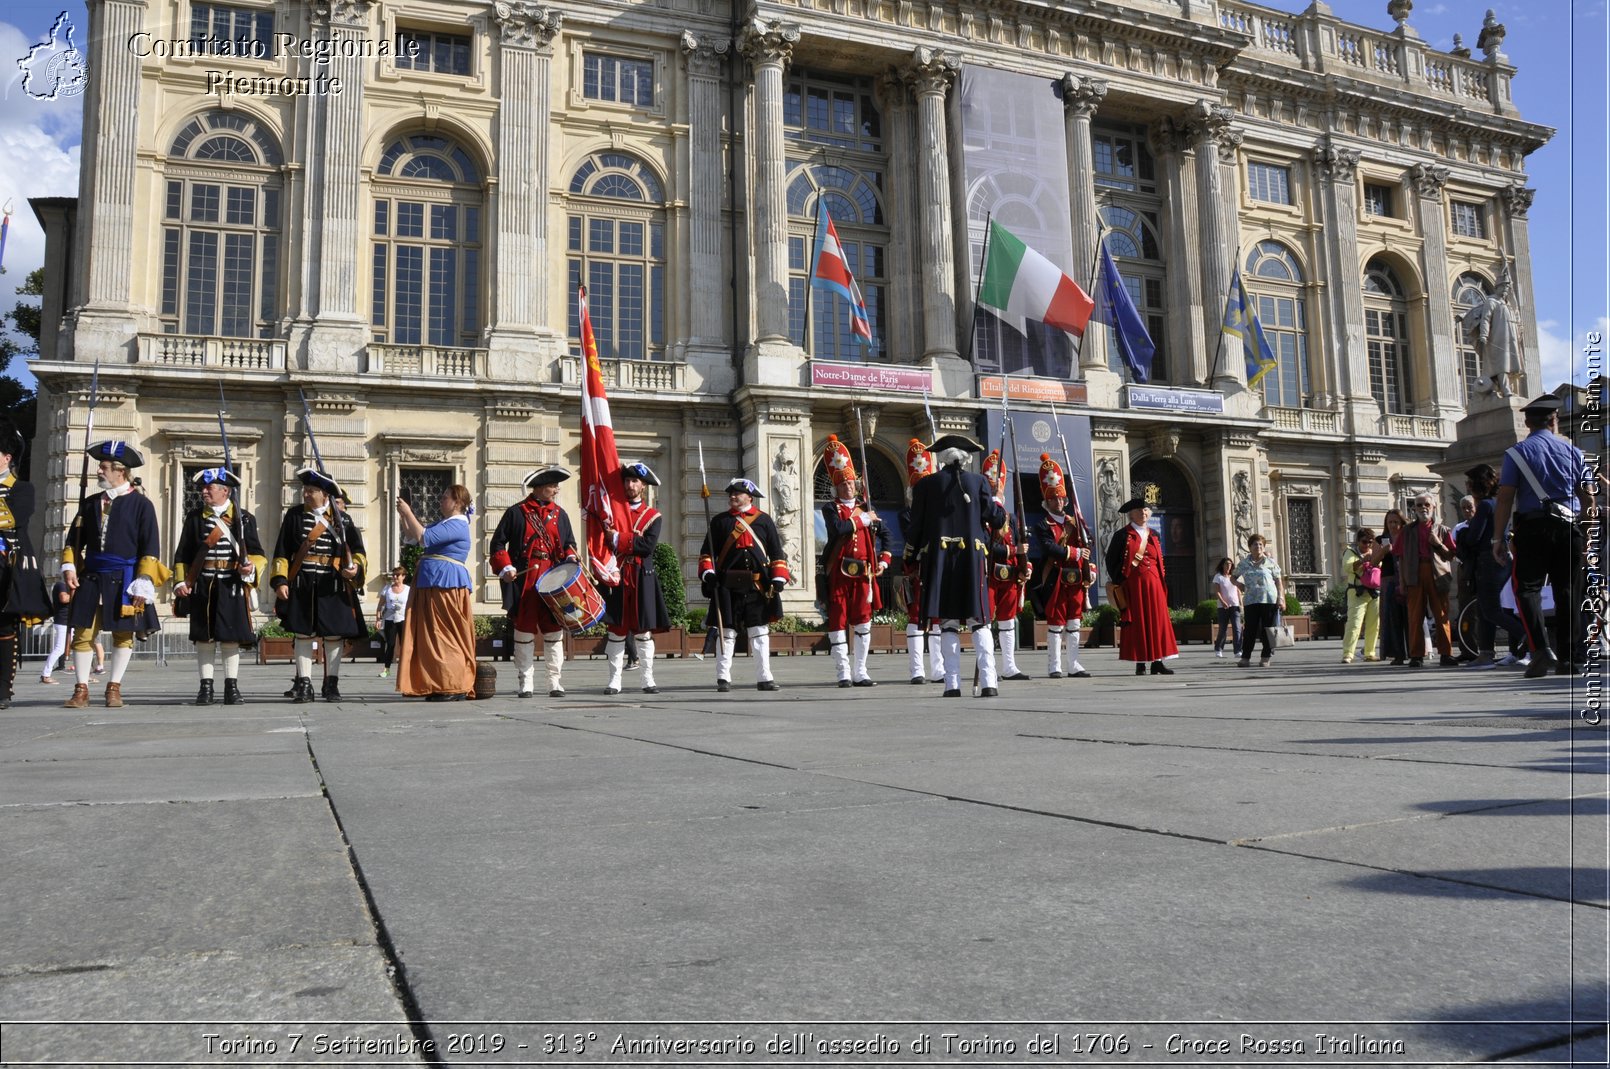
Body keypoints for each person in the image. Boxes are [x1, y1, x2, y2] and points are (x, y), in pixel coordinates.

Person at [1493, 393, 1596, 677]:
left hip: (1533, 527)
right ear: (1554, 420)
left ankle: (1539, 650)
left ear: (1527, 422)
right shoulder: (1574, 453)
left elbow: (1504, 497)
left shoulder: (1516, 453)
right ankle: (1569, 658)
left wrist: (1497, 538)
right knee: (1569, 591)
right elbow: (1588, 499)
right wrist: (1587, 533)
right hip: (1569, 528)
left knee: (1526, 589)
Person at [61, 441, 166, 709]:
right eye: (100, 466)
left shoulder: (141, 504)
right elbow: (74, 540)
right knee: (83, 633)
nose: (99, 471)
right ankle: (81, 688)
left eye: (104, 467)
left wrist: (143, 580)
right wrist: (69, 566)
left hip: (124, 577)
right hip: (92, 576)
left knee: (123, 635)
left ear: (121, 471)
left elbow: (150, 546)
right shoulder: (90, 503)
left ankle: (114, 688)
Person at [901, 434, 1005, 698]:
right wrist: (997, 502)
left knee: (947, 623)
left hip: (940, 560)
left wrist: (910, 557)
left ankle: (952, 684)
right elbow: (996, 520)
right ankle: (990, 682)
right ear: (966, 457)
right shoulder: (978, 481)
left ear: (942, 458)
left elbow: (916, 528)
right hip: (972, 559)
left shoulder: (926, 485)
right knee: (979, 622)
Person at [270, 468, 366, 703]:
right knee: (303, 634)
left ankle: (331, 683)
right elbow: (282, 551)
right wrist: (281, 581)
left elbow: (358, 551)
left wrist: (355, 569)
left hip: (332, 583)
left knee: (334, 635)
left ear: (325, 494)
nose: (305, 494)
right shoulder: (293, 516)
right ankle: (304, 684)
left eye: (311, 491)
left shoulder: (342, 519)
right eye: (305, 490)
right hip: (302, 582)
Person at [172, 467, 266, 706]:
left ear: (225, 491)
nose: (204, 492)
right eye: (203, 488)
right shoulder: (195, 518)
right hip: (203, 583)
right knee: (204, 638)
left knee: (230, 638)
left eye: (209, 488)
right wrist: (182, 582)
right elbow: (183, 553)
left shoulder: (244, 519)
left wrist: (250, 568)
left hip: (231, 584)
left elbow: (257, 554)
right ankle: (205, 687)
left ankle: (231, 687)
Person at [490, 466, 579, 698]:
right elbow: (498, 544)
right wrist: (506, 567)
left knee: (554, 631)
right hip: (526, 580)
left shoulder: (560, 514)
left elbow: (569, 543)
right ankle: (525, 682)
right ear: (539, 488)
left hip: (554, 577)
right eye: (553, 486)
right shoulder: (516, 513)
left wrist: (571, 556)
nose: (557, 490)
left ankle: (554, 682)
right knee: (524, 631)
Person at [699, 477, 790, 692]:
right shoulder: (719, 522)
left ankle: (764, 677)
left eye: (737, 493)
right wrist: (708, 573)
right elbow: (706, 553)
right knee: (726, 632)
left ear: (749, 496)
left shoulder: (764, 520)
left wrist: (778, 578)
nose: (732, 496)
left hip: (756, 586)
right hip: (727, 586)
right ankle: (723, 677)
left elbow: (777, 552)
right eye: (731, 493)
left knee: (759, 632)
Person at [819, 437, 891, 688]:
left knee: (863, 621)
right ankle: (843, 672)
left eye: (851, 483)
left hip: (864, 574)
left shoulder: (866, 508)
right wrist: (863, 521)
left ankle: (861, 671)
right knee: (838, 620)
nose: (849, 487)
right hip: (838, 573)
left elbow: (886, 535)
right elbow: (838, 529)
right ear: (837, 488)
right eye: (844, 484)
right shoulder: (831, 509)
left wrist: (884, 559)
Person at [395, 485, 477, 701]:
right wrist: (404, 516)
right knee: (433, 634)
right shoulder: (445, 523)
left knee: (445, 634)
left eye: (444, 497)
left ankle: (454, 684)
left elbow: (424, 538)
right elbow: (412, 536)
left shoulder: (458, 524)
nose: (440, 501)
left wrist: (408, 512)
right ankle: (441, 683)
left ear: (457, 502)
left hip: (445, 582)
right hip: (435, 580)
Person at [601, 461, 672, 695]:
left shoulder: (653, 516)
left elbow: (647, 547)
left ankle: (647, 679)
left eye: (635, 481)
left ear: (643, 486)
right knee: (616, 631)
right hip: (617, 575)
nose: (630, 485)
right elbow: (604, 542)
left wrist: (617, 539)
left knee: (643, 632)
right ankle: (614, 680)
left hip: (642, 577)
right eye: (627, 480)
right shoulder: (612, 512)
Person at [1028, 452, 1093, 680]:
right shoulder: (1042, 525)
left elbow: (1088, 542)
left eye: (1062, 498)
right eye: (1054, 498)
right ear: (1047, 502)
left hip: (1075, 579)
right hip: (1055, 578)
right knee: (1056, 625)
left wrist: (1088, 562)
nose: (1059, 502)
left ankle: (1074, 664)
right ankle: (1054, 666)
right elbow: (1049, 548)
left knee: (1074, 622)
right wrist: (1074, 552)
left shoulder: (1074, 522)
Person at [0, 421, 48, 707]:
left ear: (7, 457)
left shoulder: (22, 488)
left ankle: (3, 689)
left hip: (6, 568)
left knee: (4, 630)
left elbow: (12, 520)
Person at [1104, 493, 1178, 675]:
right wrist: (1120, 581)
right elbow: (1111, 559)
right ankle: (1140, 663)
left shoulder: (1154, 535)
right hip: (1134, 587)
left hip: (1155, 585)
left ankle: (1158, 662)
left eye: (1145, 509)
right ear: (1131, 514)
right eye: (1139, 510)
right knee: (1139, 623)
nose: (1143, 513)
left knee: (1157, 622)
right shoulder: (1122, 535)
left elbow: (1159, 560)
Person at [1460, 463, 1525, 667]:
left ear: (1477, 484)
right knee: (1484, 608)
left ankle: (1528, 637)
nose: (1467, 486)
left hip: (1488, 559)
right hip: (1500, 559)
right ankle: (1486, 653)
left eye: (1470, 483)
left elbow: (1473, 537)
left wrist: (1463, 534)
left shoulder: (1486, 505)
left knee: (1490, 610)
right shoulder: (1497, 503)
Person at [981, 449, 1032, 682]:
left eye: (998, 487)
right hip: (988, 575)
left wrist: (1024, 565)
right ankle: (989, 666)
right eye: (993, 487)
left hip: (1009, 575)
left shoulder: (1010, 517)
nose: (996, 490)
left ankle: (1009, 666)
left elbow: (1020, 546)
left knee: (1008, 621)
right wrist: (1014, 551)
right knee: (987, 622)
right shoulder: (983, 515)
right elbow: (988, 547)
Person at [897, 439, 945, 685]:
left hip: (935, 569)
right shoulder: (907, 514)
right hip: (917, 569)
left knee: (936, 618)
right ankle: (917, 670)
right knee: (916, 618)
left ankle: (938, 669)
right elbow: (913, 537)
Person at [1399, 493, 1458, 668]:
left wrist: (1438, 543)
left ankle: (1446, 653)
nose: (1423, 508)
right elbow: (1400, 557)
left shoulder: (1443, 530)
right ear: (1414, 509)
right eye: (1418, 505)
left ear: (1433, 507)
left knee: (1442, 615)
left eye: (1426, 504)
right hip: (1414, 574)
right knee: (1415, 616)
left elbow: (1451, 555)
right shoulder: (1407, 531)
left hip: (1437, 575)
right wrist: (1402, 582)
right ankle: (1416, 655)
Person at [1232, 532, 1284, 668]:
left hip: (1269, 600)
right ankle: (1245, 658)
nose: (1258, 547)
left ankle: (1265, 657)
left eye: (1261, 544)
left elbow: (1279, 581)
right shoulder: (1244, 563)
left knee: (1268, 629)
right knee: (1250, 630)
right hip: (1250, 600)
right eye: (1255, 544)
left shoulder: (1270, 562)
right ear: (1249, 547)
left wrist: (1281, 598)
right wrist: (1239, 585)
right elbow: (1233, 577)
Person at [1368, 509, 1410, 665]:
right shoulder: (1381, 539)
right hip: (1389, 580)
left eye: (1396, 522)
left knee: (1410, 616)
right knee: (1392, 618)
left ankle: (1414, 651)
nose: (1393, 525)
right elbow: (1372, 563)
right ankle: (1397, 653)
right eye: (1390, 522)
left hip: (1407, 579)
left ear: (1402, 522)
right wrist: (1384, 551)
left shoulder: (1407, 537)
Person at [1339, 530, 1381, 664]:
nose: (1367, 545)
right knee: (1354, 623)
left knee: (1374, 624)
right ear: (1358, 541)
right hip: (1357, 592)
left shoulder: (1375, 552)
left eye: (1370, 542)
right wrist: (1363, 560)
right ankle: (1348, 653)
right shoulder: (1350, 552)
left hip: (1374, 592)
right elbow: (1347, 567)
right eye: (1364, 541)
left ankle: (1370, 652)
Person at [374, 567, 410, 679]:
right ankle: (386, 669)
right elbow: (380, 605)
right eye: (394, 575)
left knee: (405, 645)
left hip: (404, 619)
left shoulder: (408, 589)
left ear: (403, 576)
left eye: (397, 575)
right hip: (390, 619)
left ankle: (406, 669)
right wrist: (378, 620)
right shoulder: (387, 588)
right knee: (390, 644)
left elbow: (412, 606)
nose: (394, 577)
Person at [41, 578, 70, 685]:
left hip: (68, 621)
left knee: (77, 648)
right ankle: (45, 674)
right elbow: (63, 598)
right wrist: (77, 595)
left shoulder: (65, 586)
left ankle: (85, 675)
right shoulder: (61, 585)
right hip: (63, 621)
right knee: (59, 649)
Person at [1210, 557, 1241, 659]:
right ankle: (1218, 649)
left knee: (1237, 629)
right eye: (1226, 564)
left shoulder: (1233, 577)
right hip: (1222, 607)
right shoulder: (1218, 577)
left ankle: (1237, 650)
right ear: (1222, 565)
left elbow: (1238, 591)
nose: (1228, 566)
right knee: (1223, 629)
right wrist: (1223, 602)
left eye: (1230, 564)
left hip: (1235, 605)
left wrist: (1241, 603)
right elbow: (1217, 591)